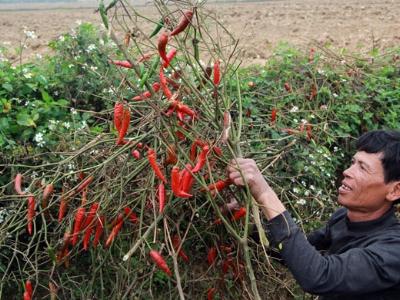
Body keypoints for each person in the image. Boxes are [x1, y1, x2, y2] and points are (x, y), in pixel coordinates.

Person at [227, 130, 400, 300]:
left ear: (394, 190)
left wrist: (264, 193)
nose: (348, 171)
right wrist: (243, 221)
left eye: (362, 168)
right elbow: (295, 253)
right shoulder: (342, 218)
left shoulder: (393, 251)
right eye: (353, 162)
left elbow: (319, 276)